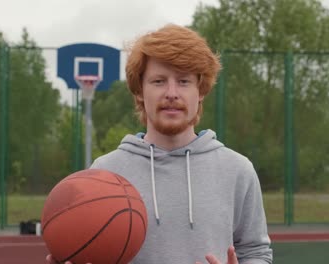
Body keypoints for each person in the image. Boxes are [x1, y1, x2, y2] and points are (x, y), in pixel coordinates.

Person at [47, 24, 273, 264]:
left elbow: (256, 252)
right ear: (140, 91)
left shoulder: (237, 170)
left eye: (184, 81)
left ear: (201, 91)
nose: (172, 93)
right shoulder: (105, 172)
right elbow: (89, 253)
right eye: (158, 81)